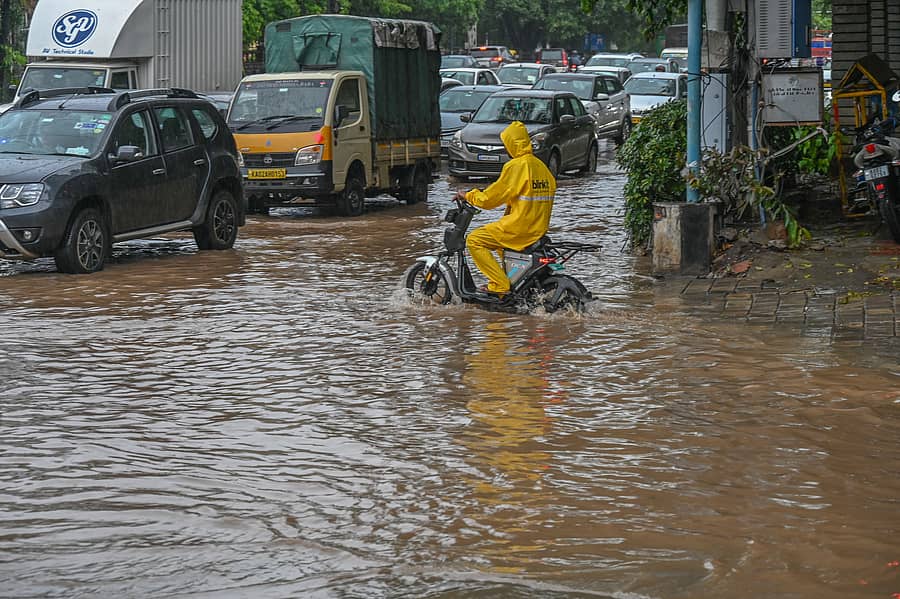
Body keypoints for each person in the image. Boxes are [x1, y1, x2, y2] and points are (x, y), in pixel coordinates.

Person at [456, 120, 557, 296]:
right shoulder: (540, 166)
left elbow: (490, 199)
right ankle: (514, 284)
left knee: (474, 239)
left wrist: (469, 195)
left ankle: (499, 285)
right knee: (500, 244)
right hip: (537, 229)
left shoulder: (516, 166)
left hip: (518, 228)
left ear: (512, 143)